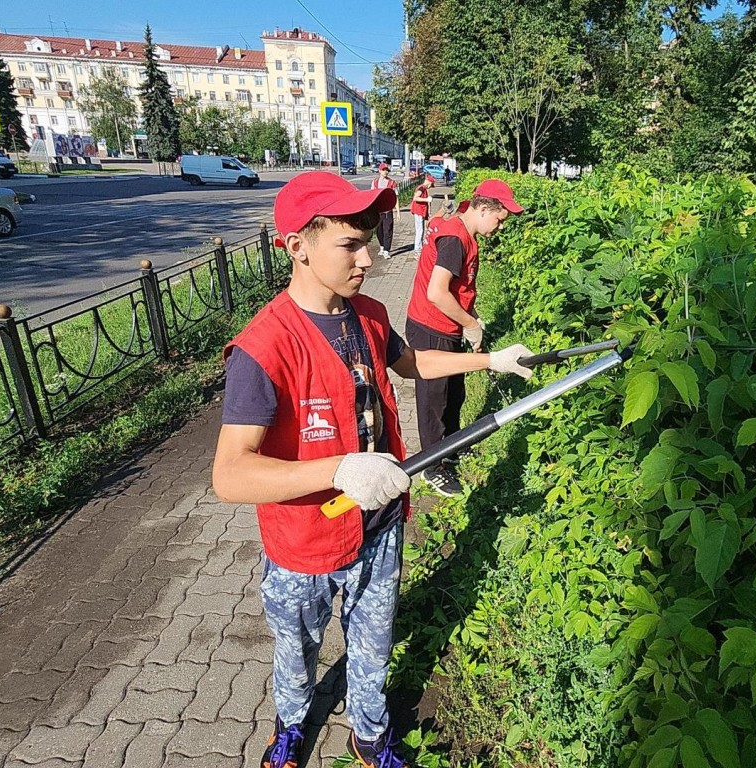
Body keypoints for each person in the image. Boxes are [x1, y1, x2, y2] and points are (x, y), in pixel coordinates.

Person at [211, 172, 534, 768]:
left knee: (373, 643)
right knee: (297, 649)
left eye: (371, 240)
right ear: (297, 246)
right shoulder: (264, 347)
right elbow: (230, 475)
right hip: (304, 543)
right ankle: (290, 727)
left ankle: (369, 735)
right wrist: (337, 470)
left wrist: (491, 358)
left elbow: (411, 363)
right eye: (351, 244)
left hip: (380, 526)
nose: (371, 256)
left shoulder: (369, 314)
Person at [405, 178, 524, 496]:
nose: (499, 227)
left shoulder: (462, 227)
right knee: (434, 401)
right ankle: (432, 467)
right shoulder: (456, 239)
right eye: (500, 219)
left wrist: (468, 322)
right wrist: (471, 323)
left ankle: (452, 447)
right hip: (431, 329)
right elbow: (436, 293)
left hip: (448, 327)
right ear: (485, 208)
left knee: (454, 394)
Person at [370, 162, 400, 259]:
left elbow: (395, 197)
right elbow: (371, 196)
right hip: (377, 210)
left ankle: (387, 250)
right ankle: (382, 246)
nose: (386, 172)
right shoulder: (375, 182)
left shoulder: (392, 183)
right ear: (379, 171)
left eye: (387, 170)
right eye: (384, 170)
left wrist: (398, 211)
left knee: (388, 230)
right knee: (379, 230)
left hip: (388, 210)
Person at [410, 174, 434, 256]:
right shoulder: (421, 188)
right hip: (418, 211)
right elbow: (415, 198)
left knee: (421, 230)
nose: (431, 187)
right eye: (431, 185)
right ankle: (417, 251)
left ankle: (419, 248)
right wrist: (426, 199)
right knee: (419, 231)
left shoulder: (424, 189)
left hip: (421, 212)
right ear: (429, 182)